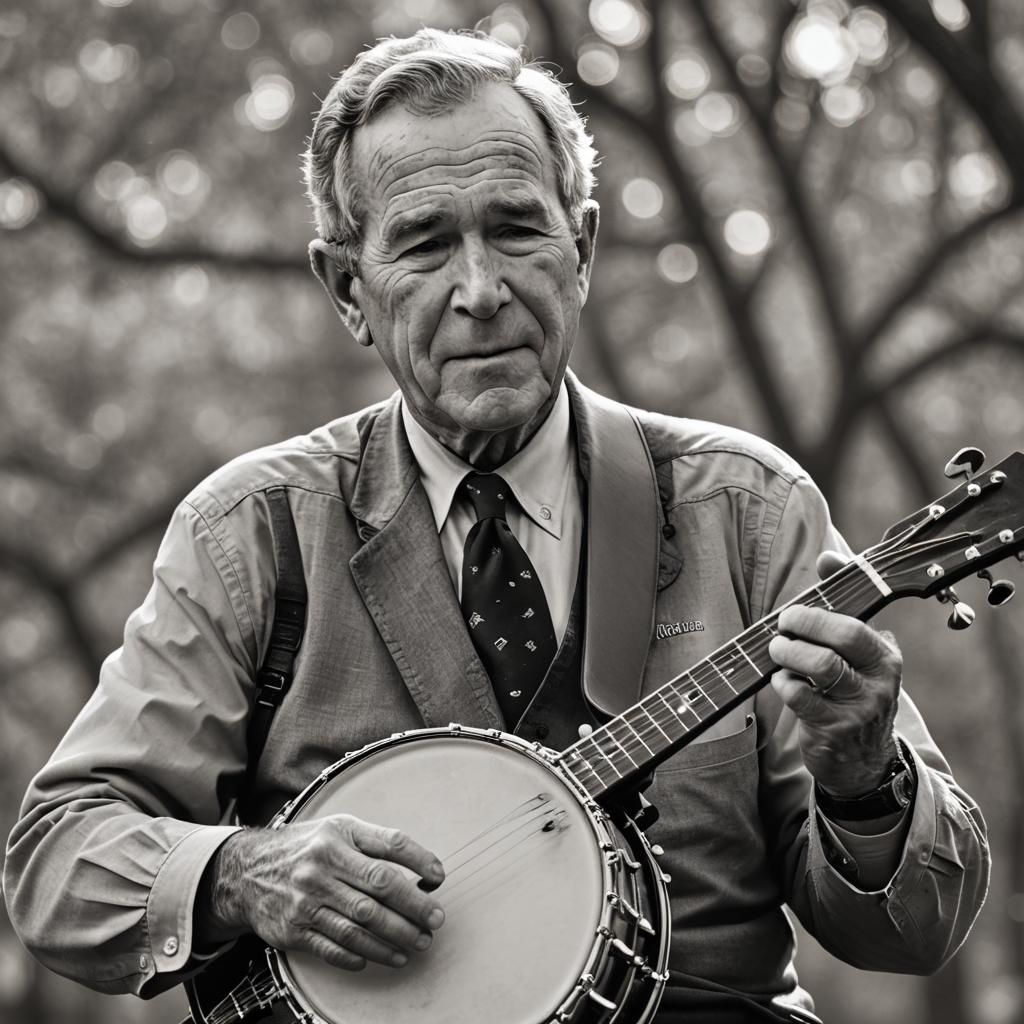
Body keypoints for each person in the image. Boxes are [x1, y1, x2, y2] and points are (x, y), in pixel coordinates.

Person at [4, 28, 988, 1024]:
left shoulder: (747, 509)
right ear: (348, 289)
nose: (481, 290)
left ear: (583, 248)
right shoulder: (252, 532)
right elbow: (56, 861)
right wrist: (242, 871)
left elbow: (911, 930)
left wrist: (866, 783)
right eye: (425, 245)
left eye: (517, 228)